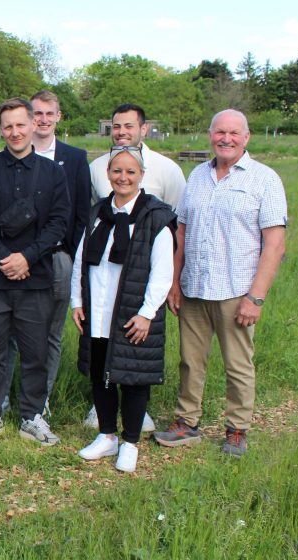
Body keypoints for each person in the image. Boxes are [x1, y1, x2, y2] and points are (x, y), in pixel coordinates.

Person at [154, 109, 287, 457]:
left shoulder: (264, 179)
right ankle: (187, 422)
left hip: (236, 289)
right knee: (190, 360)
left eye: (233, 133)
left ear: (247, 137)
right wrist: (174, 282)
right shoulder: (197, 176)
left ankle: (237, 429)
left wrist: (255, 297)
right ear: (210, 135)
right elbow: (181, 232)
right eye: (219, 132)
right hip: (195, 286)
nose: (225, 139)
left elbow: (274, 243)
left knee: (238, 364)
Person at [0, 98, 69, 445]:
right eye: (8, 126)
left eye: (20, 125)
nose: (15, 132)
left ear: (33, 125)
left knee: (35, 351)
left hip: (36, 278)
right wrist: (4, 256)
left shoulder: (54, 173)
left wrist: (27, 257)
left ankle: (32, 415)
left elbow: (59, 223)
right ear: (1, 129)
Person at [70, 146, 176, 473]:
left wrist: (147, 313)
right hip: (98, 309)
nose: (123, 177)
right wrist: (77, 301)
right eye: (117, 171)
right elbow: (80, 260)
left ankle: (130, 442)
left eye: (131, 172)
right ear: (108, 174)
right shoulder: (97, 212)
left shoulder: (154, 216)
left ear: (141, 176)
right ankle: (106, 435)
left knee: (132, 378)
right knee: (101, 376)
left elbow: (163, 271)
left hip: (132, 312)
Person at [83, 103, 186, 431]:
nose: (122, 131)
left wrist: (172, 281)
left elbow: (176, 226)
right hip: (105, 277)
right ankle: (103, 415)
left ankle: (136, 415)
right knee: (103, 345)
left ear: (143, 129)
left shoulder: (166, 169)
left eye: (129, 126)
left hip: (143, 276)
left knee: (136, 346)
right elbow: (91, 230)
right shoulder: (96, 167)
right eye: (116, 126)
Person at [0, 90, 91, 413]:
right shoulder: (9, 155)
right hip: (13, 260)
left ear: (58, 117)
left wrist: (70, 257)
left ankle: (43, 397)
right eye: (36, 114)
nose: (42, 119)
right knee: (10, 333)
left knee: (49, 333)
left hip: (56, 257)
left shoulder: (75, 158)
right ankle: (3, 397)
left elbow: (79, 215)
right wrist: (17, 257)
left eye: (48, 114)